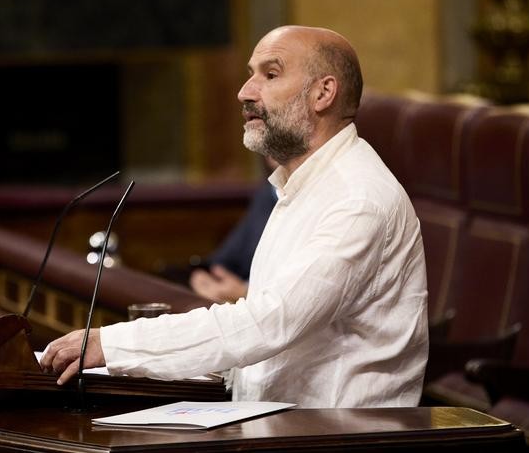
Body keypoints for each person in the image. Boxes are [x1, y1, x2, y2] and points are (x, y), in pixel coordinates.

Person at [40, 25, 429, 408]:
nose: (245, 92)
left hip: (336, 437)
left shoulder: (357, 199)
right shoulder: (303, 186)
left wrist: (111, 345)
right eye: (249, 75)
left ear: (323, 93)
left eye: (270, 75)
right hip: (276, 426)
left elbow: (268, 323)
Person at [189, 156, 278, 303]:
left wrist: (246, 292)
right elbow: (223, 261)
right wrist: (204, 277)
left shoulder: (318, 198)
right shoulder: (268, 193)